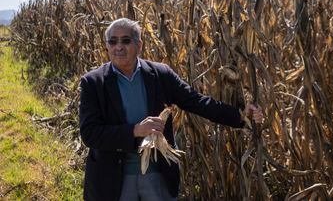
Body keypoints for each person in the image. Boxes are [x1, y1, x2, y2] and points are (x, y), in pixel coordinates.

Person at [79, 18, 264, 201]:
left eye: (126, 40)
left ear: (139, 45)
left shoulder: (161, 75)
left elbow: (197, 102)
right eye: (113, 41)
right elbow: (90, 133)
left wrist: (240, 116)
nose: (118, 46)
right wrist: (135, 131)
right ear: (107, 46)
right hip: (113, 180)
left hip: (157, 174)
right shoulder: (93, 82)